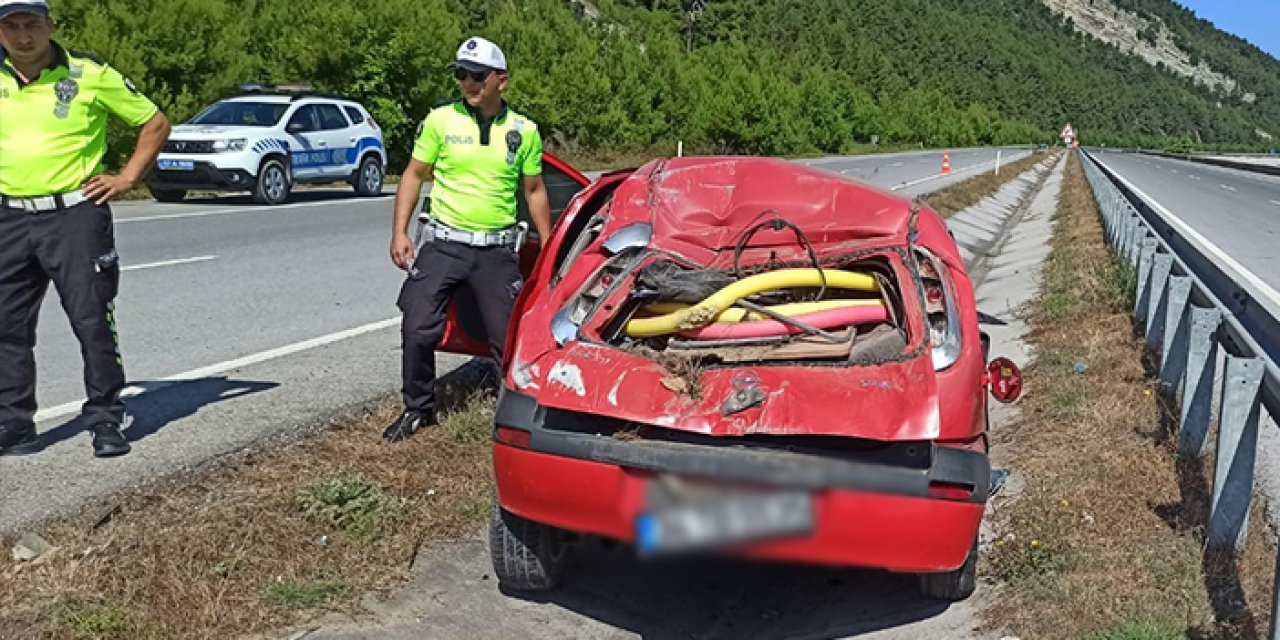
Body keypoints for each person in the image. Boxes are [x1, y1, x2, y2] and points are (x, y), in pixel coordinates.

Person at [0, 0, 171, 457]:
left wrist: (127, 177)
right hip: (9, 218)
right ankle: (15, 426)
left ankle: (105, 418)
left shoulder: (87, 73)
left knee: (91, 319)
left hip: (75, 215)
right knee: (7, 326)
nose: (22, 36)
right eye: (10, 26)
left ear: (49, 26)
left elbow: (154, 121)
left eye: (31, 24)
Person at [384, 36, 551, 442]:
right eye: (461, 74)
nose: (468, 82)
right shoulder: (441, 121)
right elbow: (412, 174)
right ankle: (419, 409)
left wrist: (549, 245)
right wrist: (400, 231)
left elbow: (534, 191)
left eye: (477, 75)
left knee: (507, 340)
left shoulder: (523, 131)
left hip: (495, 250)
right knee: (418, 326)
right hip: (444, 244)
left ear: (501, 81)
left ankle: (514, 415)